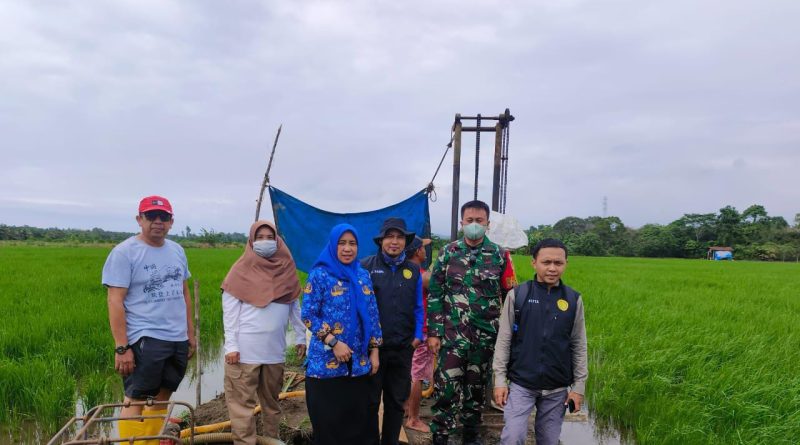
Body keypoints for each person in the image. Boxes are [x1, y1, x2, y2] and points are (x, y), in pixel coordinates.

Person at [101, 195, 195, 442]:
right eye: (151, 216)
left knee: (162, 396)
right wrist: (122, 347)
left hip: (177, 338)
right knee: (136, 399)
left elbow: (184, 293)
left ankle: (151, 441)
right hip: (145, 338)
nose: (157, 222)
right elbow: (115, 301)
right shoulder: (124, 253)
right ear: (139, 219)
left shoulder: (177, 250)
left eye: (163, 217)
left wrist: (190, 335)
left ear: (171, 221)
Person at [427, 200, 516, 445]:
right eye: (470, 221)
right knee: (446, 387)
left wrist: (509, 336)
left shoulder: (500, 255)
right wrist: (434, 332)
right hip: (452, 335)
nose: (474, 225)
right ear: (461, 223)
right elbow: (435, 293)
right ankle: (441, 433)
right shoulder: (448, 253)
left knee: (476, 387)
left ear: (488, 224)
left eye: (479, 221)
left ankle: (470, 432)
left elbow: (510, 296)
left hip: (485, 336)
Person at [492, 238, 588, 445]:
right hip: (521, 384)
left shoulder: (573, 300)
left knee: (549, 440)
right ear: (534, 262)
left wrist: (578, 387)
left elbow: (579, 345)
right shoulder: (518, 295)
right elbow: (504, 340)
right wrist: (500, 380)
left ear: (565, 264)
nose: (552, 268)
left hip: (556, 388)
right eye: (546, 262)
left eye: (558, 263)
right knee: (512, 437)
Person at [220, 220, 305, 444]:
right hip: (244, 353)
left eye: (270, 237)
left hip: (274, 353)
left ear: (277, 241)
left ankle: (272, 440)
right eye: (260, 237)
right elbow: (229, 313)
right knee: (241, 408)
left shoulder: (286, 270)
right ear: (251, 241)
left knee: (272, 405)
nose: (265, 242)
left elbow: (295, 307)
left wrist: (300, 336)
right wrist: (231, 346)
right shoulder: (240, 271)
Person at [302, 223, 383, 445]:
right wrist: (333, 342)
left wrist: (375, 352)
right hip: (325, 368)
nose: (348, 248)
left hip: (358, 366)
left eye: (352, 243)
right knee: (329, 429)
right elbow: (308, 314)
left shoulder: (363, 275)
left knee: (359, 428)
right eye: (342, 243)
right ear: (333, 245)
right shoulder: (320, 275)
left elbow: (373, 316)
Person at [361, 218, 424, 445]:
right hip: (373, 350)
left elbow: (418, 306)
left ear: (405, 242)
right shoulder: (367, 266)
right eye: (390, 237)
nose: (394, 242)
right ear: (381, 241)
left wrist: (418, 337)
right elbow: (360, 306)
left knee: (396, 402)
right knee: (369, 401)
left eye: (399, 237)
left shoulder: (413, 270)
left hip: (403, 347)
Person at [403, 236, 434, 433]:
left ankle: (407, 407)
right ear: (417, 252)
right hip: (421, 331)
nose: (426, 251)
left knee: (409, 371)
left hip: (406, 330)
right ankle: (413, 418)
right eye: (423, 248)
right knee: (418, 375)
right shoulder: (422, 276)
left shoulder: (403, 272)